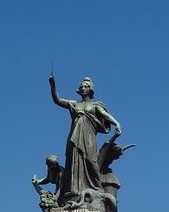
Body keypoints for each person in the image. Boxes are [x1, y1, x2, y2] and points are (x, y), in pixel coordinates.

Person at [48, 74, 121, 204]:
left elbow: (105, 115)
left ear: (90, 89)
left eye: (85, 86)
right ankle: (74, 191)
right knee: (74, 162)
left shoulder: (94, 105)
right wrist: (52, 85)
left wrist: (117, 123)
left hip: (89, 139)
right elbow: (57, 100)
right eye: (81, 86)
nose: (82, 88)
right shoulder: (74, 103)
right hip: (75, 137)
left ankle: (96, 189)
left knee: (91, 162)